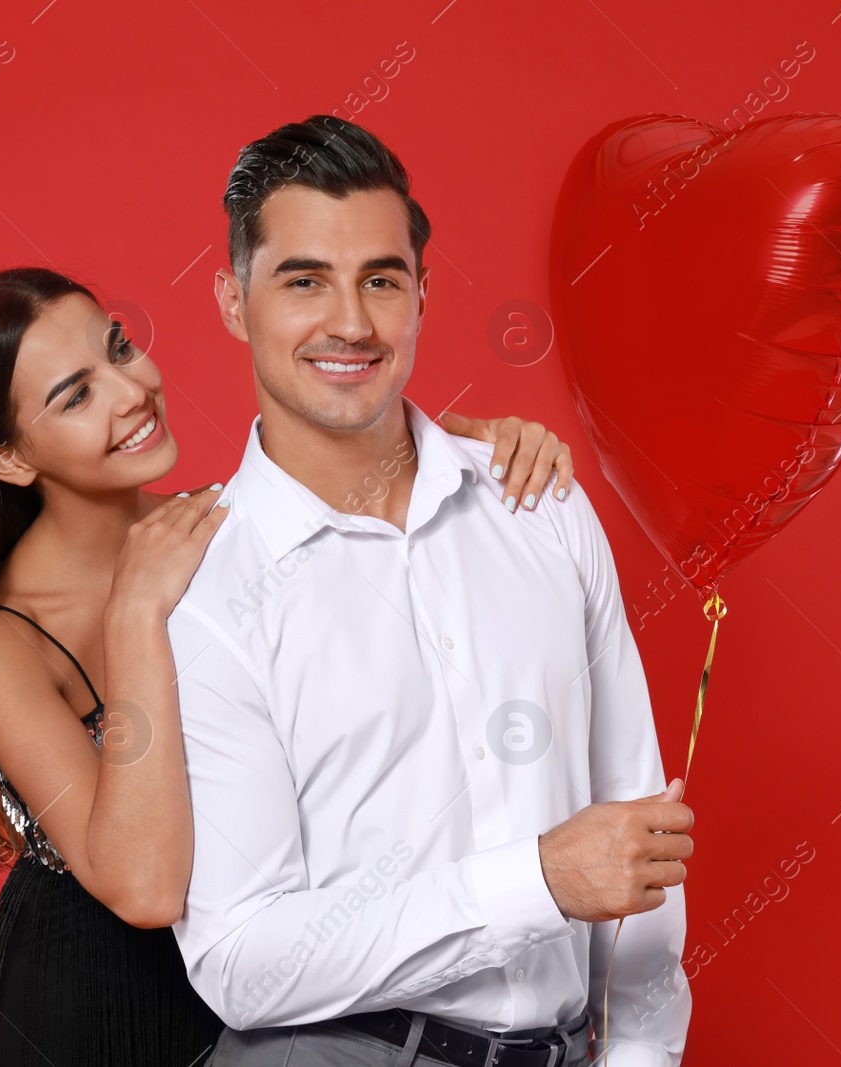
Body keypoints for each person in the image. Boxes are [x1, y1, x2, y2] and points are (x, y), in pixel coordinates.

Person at [0, 264, 581, 1066]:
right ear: (4, 459)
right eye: (75, 395)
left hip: (247, 1008)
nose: (129, 390)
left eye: (118, 347)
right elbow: (143, 887)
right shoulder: (1, 641)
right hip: (69, 1022)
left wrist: (473, 455)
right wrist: (136, 614)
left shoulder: (221, 528)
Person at [165, 116, 695, 1066]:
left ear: (422, 293)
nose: (352, 323)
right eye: (303, 281)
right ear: (233, 301)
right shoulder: (205, 589)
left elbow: (636, 821)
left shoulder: (543, 507)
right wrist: (537, 880)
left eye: (381, 278)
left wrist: (642, 1054)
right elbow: (241, 957)